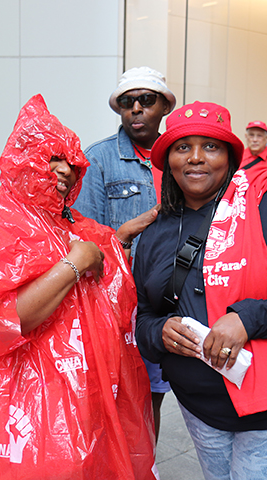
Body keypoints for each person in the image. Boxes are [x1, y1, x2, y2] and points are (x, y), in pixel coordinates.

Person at [0, 94, 157, 479]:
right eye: (53, 158)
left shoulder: (78, 227)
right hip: (25, 404)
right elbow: (4, 320)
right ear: (23, 158)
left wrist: (111, 246)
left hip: (84, 395)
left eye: (73, 162)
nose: (66, 170)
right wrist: (76, 264)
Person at [134, 101, 267, 480]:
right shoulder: (156, 230)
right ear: (168, 160)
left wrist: (248, 319)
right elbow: (144, 316)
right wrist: (160, 332)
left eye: (211, 147)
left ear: (231, 158)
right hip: (200, 409)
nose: (196, 158)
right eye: (183, 147)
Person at [73, 65, 175, 436]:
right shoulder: (99, 159)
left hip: (167, 299)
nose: (135, 109)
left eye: (146, 100)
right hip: (119, 302)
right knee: (114, 397)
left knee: (152, 396)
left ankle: (147, 462)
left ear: (164, 106)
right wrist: (125, 236)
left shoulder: (180, 155)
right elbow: (84, 241)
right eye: (127, 102)